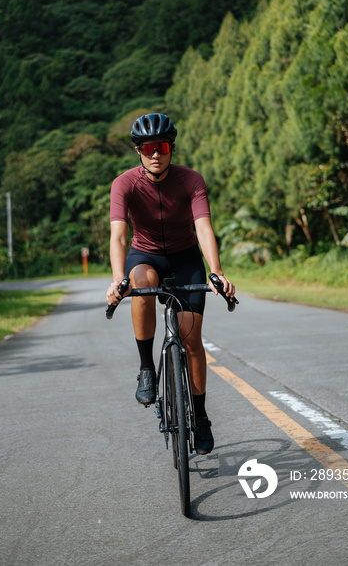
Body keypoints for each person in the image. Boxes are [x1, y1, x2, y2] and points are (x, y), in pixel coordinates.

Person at [106, 113, 235, 454]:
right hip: (144, 256)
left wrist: (217, 271)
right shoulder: (124, 184)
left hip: (185, 258)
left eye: (161, 147)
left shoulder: (191, 181)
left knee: (192, 340)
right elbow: (119, 236)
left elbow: (204, 228)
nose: (155, 154)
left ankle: (202, 416)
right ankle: (147, 368)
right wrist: (118, 278)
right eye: (148, 148)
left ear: (171, 148)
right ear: (139, 151)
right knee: (141, 282)